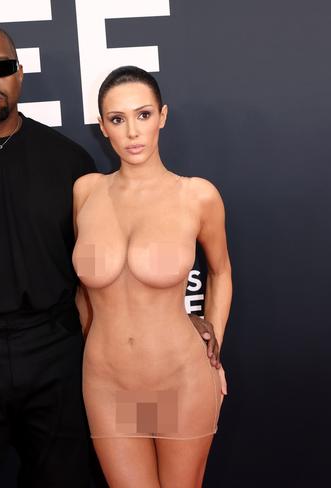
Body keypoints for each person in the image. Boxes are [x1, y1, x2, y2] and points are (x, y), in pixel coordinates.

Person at [0, 24, 220, 487]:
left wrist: (194, 322)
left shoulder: (71, 165)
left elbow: (118, 273)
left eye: (0, 67)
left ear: (19, 73)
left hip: (59, 358)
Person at [73, 66, 232, 488]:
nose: (132, 132)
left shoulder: (197, 195)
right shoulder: (85, 193)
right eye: (117, 119)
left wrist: (214, 342)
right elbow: (84, 291)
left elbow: (220, 272)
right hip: (108, 385)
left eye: (143, 115)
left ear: (162, 116)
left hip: (178, 379)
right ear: (103, 127)